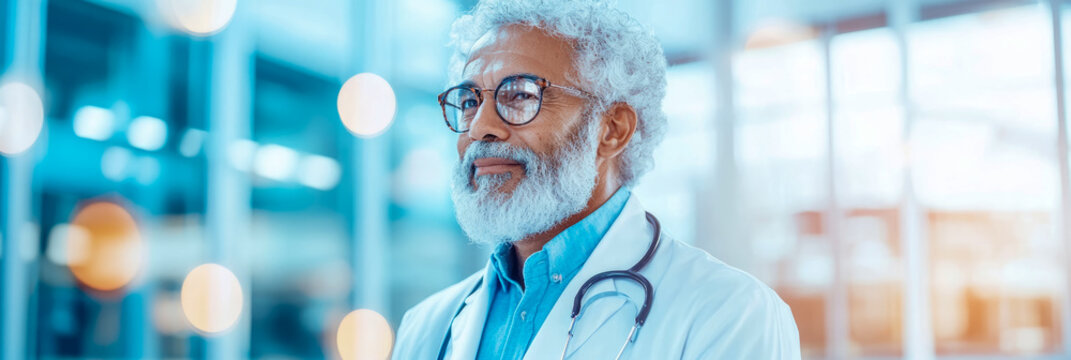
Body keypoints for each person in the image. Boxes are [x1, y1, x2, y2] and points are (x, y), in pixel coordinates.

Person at [392, 0, 801, 358]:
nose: (480, 127)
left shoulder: (728, 312)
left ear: (611, 130)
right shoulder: (428, 326)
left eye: (519, 95)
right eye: (468, 101)